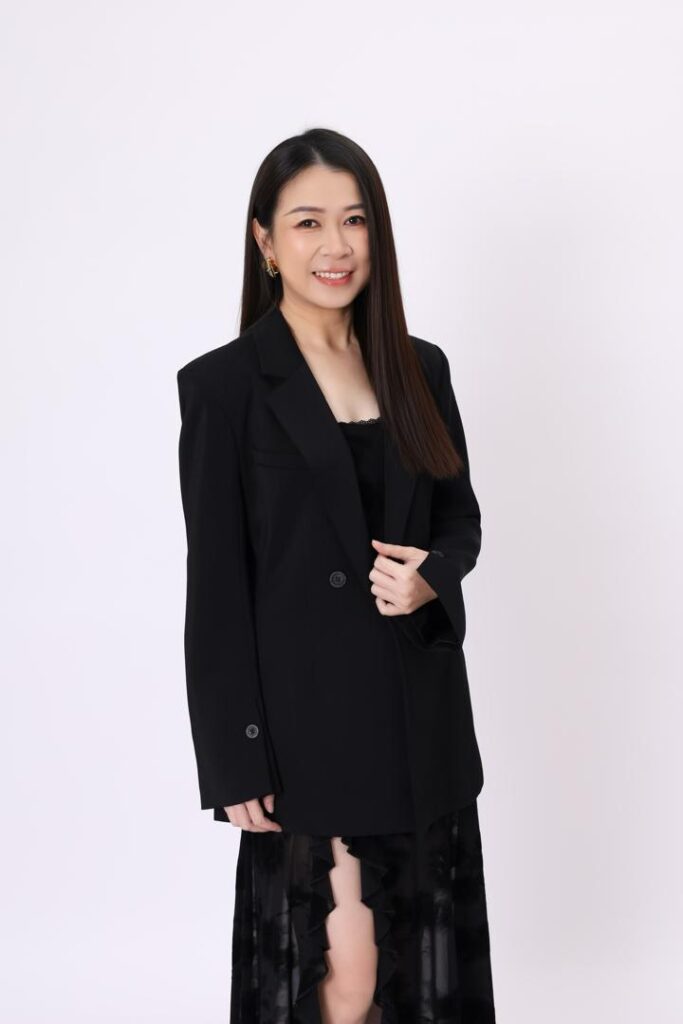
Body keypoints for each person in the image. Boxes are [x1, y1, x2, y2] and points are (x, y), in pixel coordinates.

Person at [176, 127, 496, 1024]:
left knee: (415, 973)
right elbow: (215, 586)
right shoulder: (224, 387)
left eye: (354, 221)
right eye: (308, 222)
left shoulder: (418, 366)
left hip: (419, 716)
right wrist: (233, 756)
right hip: (305, 730)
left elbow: (459, 520)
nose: (336, 245)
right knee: (344, 979)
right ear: (266, 241)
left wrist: (433, 576)